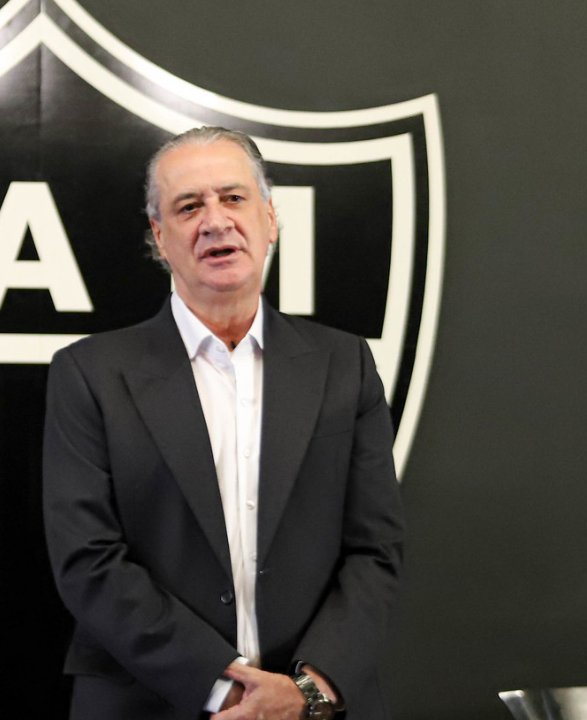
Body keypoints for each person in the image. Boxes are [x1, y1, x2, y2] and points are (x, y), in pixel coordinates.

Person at [42, 126, 404, 720]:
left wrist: (304, 694)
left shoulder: (347, 366)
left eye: (233, 198)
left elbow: (375, 551)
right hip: (148, 703)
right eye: (189, 206)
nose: (215, 221)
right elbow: (88, 559)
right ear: (161, 237)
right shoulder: (89, 374)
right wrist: (230, 692)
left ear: (269, 220)